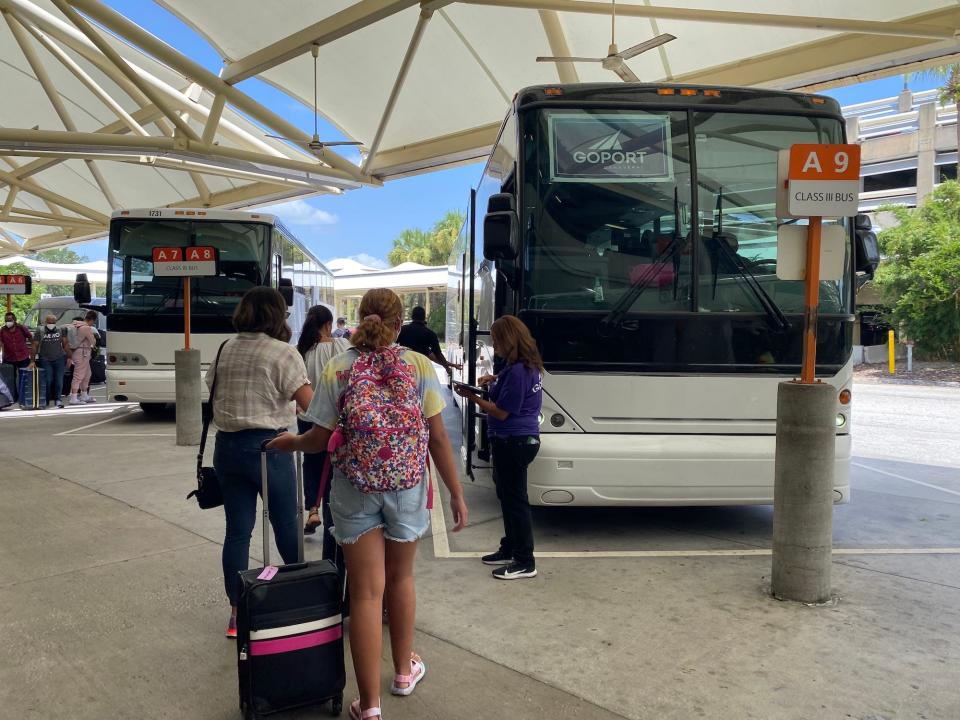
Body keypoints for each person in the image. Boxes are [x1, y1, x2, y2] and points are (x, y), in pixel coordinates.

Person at [268, 288, 468, 720]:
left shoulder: (339, 368)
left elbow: (318, 439)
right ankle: (402, 672)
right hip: (406, 487)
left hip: (354, 487)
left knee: (363, 593)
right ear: (398, 325)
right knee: (401, 580)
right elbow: (437, 438)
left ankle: (369, 706)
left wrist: (289, 443)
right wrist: (456, 491)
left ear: (359, 320)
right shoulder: (418, 366)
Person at [206, 287, 314, 639]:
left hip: (227, 448)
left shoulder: (226, 348)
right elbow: (310, 404)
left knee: (237, 532)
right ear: (277, 315)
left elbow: (213, 388)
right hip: (271, 447)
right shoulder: (283, 352)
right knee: (286, 524)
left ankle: (238, 614)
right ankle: (301, 599)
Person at [454, 314, 542, 580]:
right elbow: (504, 399)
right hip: (516, 441)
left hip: (513, 441)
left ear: (508, 339)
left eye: (497, 340)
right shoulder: (522, 367)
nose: (495, 345)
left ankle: (525, 560)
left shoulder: (517, 372)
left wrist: (472, 398)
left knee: (516, 501)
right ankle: (511, 548)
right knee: (508, 497)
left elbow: (502, 412)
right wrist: (489, 384)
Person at [296, 304, 350, 544]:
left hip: (308, 417)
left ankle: (313, 509)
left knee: (312, 463)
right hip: (339, 420)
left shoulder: (302, 352)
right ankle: (331, 515)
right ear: (329, 324)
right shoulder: (343, 347)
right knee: (334, 467)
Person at [396, 306, 462, 373]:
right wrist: (448, 368)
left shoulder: (402, 330)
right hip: (422, 370)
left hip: (405, 369)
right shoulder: (430, 334)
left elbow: (392, 347)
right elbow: (438, 356)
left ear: (412, 316)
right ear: (424, 318)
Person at [31, 314, 70, 409]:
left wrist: (69, 357)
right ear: (45, 322)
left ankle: (58, 400)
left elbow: (65, 344)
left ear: (56, 322)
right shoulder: (40, 330)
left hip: (59, 358)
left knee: (59, 380)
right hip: (45, 358)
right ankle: (46, 400)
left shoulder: (61, 330)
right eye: (49, 322)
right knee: (48, 380)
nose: (51, 324)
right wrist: (32, 360)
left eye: (53, 322)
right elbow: (35, 345)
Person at [66, 311, 99, 405]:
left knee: (87, 373)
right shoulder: (86, 328)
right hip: (82, 353)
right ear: (92, 320)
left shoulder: (76, 325)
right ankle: (73, 397)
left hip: (78, 352)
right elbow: (93, 342)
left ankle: (84, 395)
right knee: (78, 375)